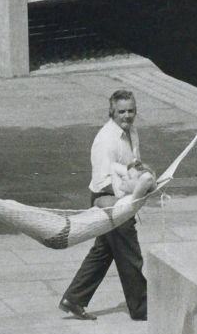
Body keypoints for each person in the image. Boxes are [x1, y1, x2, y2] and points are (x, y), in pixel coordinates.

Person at [60, 90, 149, 321]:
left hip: (124, 195)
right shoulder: (106, 140)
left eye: (131, 111)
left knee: (104, 251)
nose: (127, 116)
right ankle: (141, 308)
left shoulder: (131, 131)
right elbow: (102, 182)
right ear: (112, 112)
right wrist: (126, 202)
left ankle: (74, 298)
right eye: (121, 112)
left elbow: (133, 164)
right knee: (130, 251)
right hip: (107, 199)